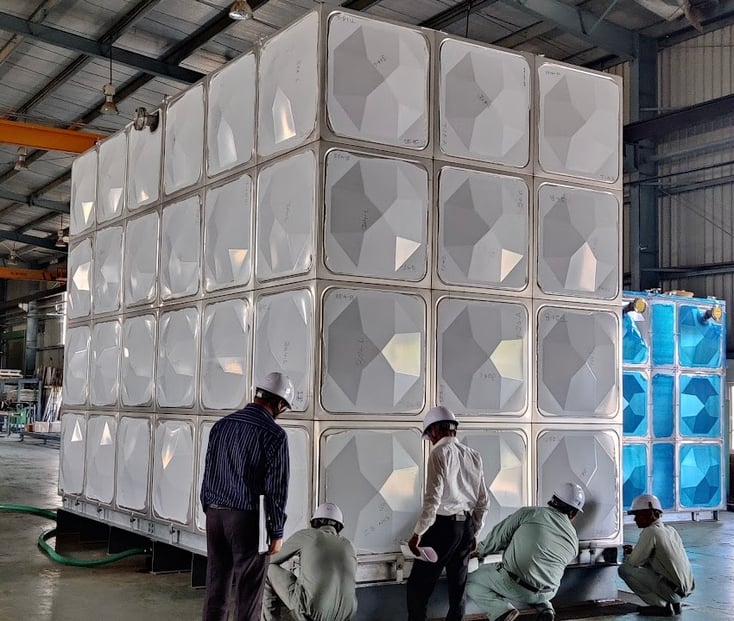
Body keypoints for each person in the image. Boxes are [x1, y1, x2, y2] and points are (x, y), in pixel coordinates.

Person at [200, 372, 295, 621]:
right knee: (249, 593)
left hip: (215, 515)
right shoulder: (274, 435)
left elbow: (209, 470)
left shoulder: (221, 425)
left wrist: (209, 508)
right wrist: (276, 531)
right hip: (247, 520)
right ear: (279, 403)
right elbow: (276, 488)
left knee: (216, 588)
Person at [406, 406, 489, 621]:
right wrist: (474, 533)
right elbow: (483, 501)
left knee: (418, 588)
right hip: (466, 527)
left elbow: (432, 501)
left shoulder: (438, 453)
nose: (431, 440)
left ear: (434, 430)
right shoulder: (474, 455)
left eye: (429, 435)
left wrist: (417, 535)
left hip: (443, 528)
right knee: (457, 589)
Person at [466, 483, 586, 621]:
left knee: (471, 581)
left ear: (553, 499)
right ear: (573, 512)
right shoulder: (574, 540)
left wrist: (478, 552)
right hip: (549, 592)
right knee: (537, 575)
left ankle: (503, 612)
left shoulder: (529, 513)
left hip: (516, 585)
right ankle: (546, 608)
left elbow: (498, 538)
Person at [262, 502, 358, 621]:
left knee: (267, 568)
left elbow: (272, 558)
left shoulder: (308, 535)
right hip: (345, 616)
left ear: (314, 522)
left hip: (312, 614)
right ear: (339, 526)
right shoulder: (349, 546)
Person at [619, 494, 695, 617]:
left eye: (638, 515)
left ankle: (661, 606)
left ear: (651, 514)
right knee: (649, 565)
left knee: (624, 569)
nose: (635, 519)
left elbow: (634, 563)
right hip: (682, 591)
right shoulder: (670, 530)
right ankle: (675, 604)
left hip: (671, 591)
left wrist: (628, 555)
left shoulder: (650, 531)